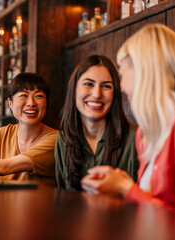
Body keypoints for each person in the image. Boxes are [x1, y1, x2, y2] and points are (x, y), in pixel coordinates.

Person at [81, 24, 175, 213]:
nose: (121, 86)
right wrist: (120, 183)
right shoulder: (146, 133)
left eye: (122, 71)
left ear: (144, 70)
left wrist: (126, 189)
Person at [55, 55, 139, 191]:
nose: (97, 94)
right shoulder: (63, 140)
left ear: (115, 94)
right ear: (74, 90)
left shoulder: (135, 137)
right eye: (88, 84)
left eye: (106, 86)